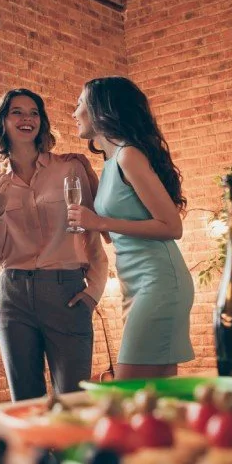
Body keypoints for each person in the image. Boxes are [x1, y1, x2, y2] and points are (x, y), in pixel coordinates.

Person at [0, 88, 108, 400]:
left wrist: (94, 292)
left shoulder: (71, 168)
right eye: (17, 112)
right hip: (13, 294)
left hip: (67, 290)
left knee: (73, 399)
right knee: (26, 401)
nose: (27, 119)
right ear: (2, 122)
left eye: (34, 112)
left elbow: (94, 234)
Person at [67, 77, 194, 379]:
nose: (74, 112)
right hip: (134, 283)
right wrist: (87, 176)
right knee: (156, 397)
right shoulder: (111, 161)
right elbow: (115, 235)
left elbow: (171, 226)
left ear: (101, 110)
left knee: (128, 388)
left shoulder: (129, 155)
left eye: (80, 103)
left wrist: (98, 221)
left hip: (158, 281)